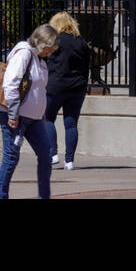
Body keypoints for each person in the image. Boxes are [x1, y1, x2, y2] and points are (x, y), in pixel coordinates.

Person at [0, 23, 59, 200]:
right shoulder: (24, 53)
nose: (50, 52)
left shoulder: (39, 58)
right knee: (10, 159)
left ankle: (44, 196)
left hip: (34, 118)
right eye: (49, 48)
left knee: (46, 155)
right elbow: (10, 84)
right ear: (42, 44)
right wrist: (13, 114)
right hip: (16, 117)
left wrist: (42, 114)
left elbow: (38, 90)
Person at [44, 11, 90, 170]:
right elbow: (86, 66)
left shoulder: (55, 40)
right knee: (71, 124)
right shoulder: (81, 42)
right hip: (77, 87)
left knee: (47, 118)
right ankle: (69, 161)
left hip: (56, 85)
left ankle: (52, 153)